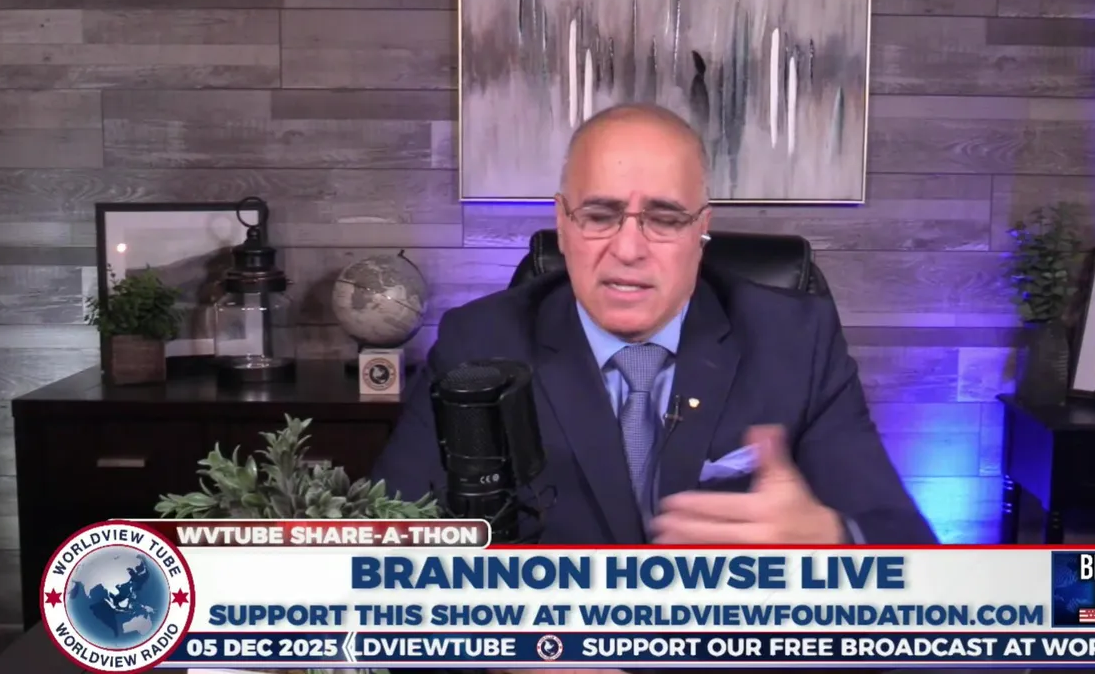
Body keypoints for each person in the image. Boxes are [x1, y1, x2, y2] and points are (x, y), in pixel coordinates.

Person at [372, 103, 936, 548]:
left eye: (664, 220)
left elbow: (908, 548)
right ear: (562, 224)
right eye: (599, 216)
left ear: (701, 231)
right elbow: (388, 544)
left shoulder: (794, 341)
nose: (628, 249)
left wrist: (834, 540)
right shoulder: (480, 343)